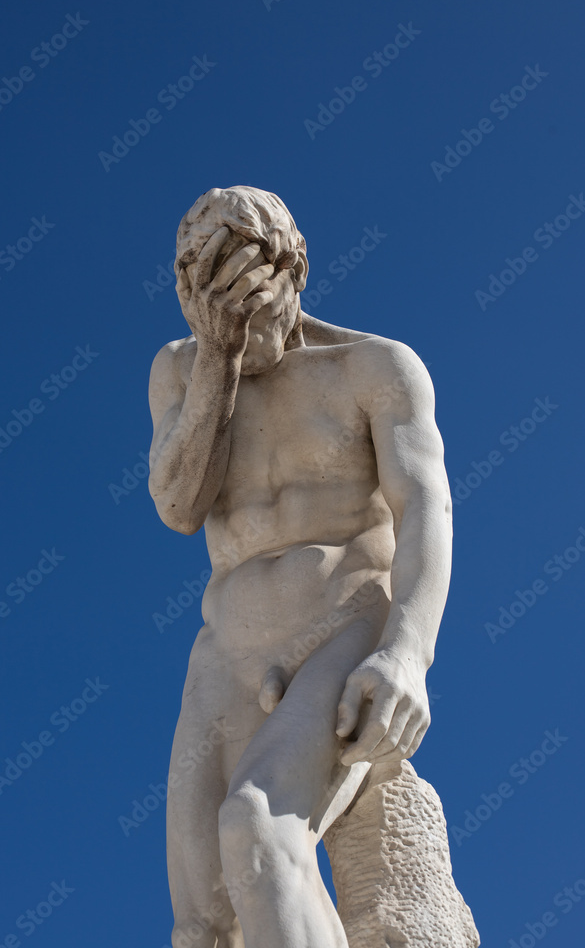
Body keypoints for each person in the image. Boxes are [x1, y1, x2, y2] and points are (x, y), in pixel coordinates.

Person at [148, 186, 452, 948]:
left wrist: (407, 653)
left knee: (259, 826)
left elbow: (424, 509)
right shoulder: (184, 371)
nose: (237, 320)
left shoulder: (373, 366)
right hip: (224, 652)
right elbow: (179, 506)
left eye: (248, 292)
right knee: (201, 923)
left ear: (294, 269)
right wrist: (218, 357)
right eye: (212, 302)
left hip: (341, 628)